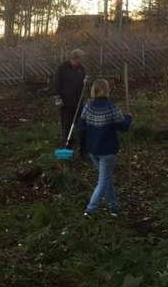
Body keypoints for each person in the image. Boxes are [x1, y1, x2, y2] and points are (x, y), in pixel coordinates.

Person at [78, 79, 132, 216]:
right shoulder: (111, 108)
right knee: (103, 180)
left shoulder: (87, 107)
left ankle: (113, 206)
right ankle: (90, 210)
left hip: (92, 150)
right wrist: (128, 117)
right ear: (107, 90)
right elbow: (123, 127)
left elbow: (81, 128)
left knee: (106, 178)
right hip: (107, 151)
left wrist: (82, 145)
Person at [53, 49, 88, 156]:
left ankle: (84, 149)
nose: (81, 61)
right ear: (74, 58)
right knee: (66, 126)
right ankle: (67, 148)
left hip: (78, 103)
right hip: (66, 104)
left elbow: (84, 81)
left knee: (81, 125)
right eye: (80, 58)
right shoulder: (62, 68)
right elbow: (56, 83)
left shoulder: (81, 68)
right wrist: (57, 98)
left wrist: (86, 82)